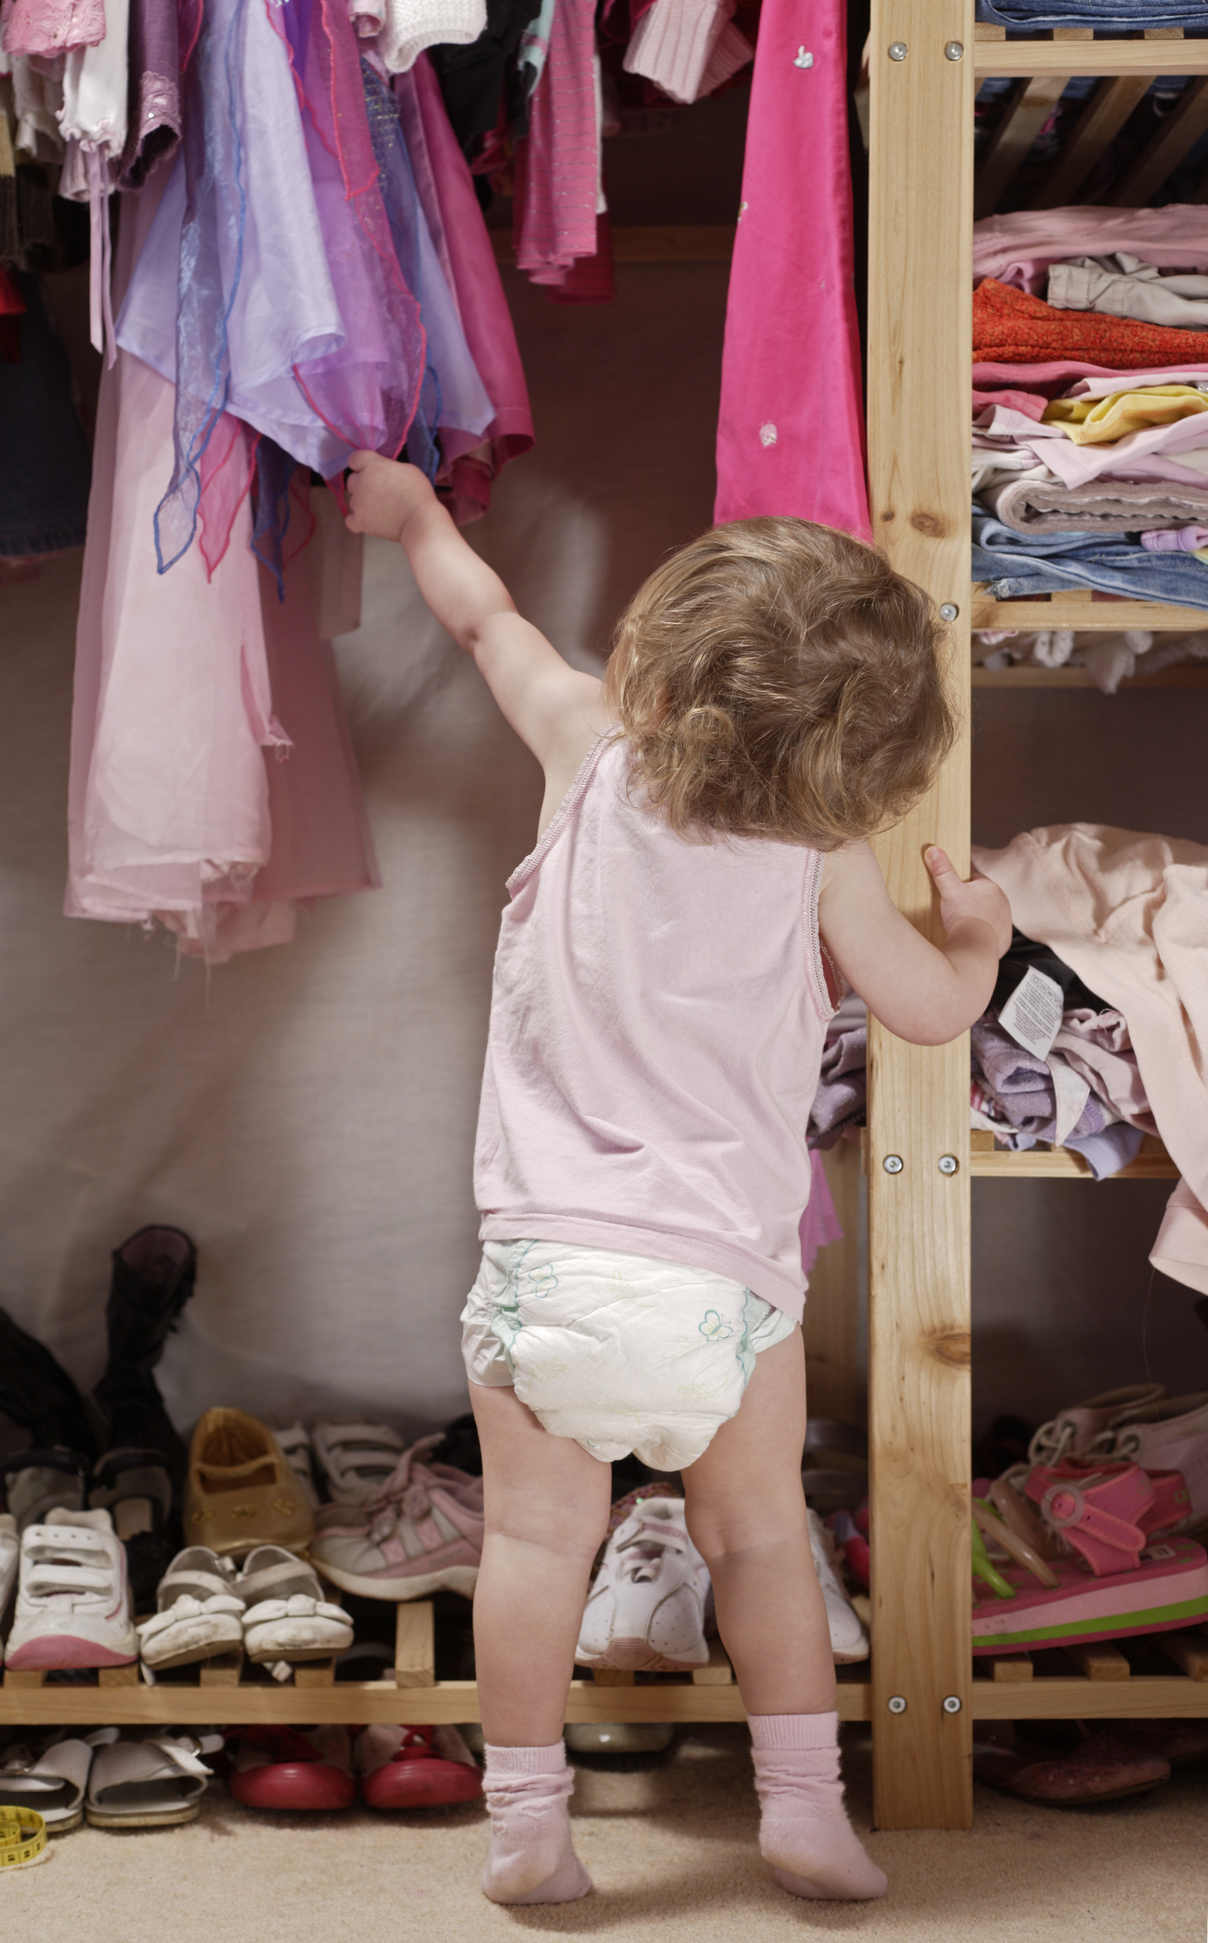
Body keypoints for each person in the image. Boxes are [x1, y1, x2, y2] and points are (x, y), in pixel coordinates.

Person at [344, 451, 1011, 1907]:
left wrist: (415, 518)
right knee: (760, 1534)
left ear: (658, 658)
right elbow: (929, 1012)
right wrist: (976, 928)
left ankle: (526, 1822)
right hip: (728, 1282)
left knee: (533, 1539)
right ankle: (802, 1808)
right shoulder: (821, 851)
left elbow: (483, 623)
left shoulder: (586, 747)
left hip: (551, 1264)